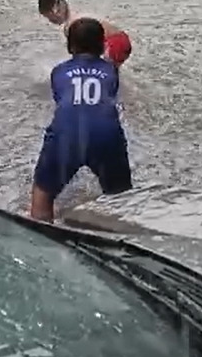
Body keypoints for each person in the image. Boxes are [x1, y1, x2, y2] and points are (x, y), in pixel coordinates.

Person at [29, 18, 133, 223]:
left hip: (66, 135)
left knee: (42, 195)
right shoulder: (111, 72)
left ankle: (40, 232)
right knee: (122, 198)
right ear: (102, 45)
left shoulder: (58, 72)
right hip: (106, 135)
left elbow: (64, 101)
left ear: (70, 47)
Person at [39, 0, 132, 66]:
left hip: (113, 44)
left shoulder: (71, 26)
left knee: (104, 72)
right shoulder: (78, 14)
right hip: (122, 39)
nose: (51, 21)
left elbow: (78, 54)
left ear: (56, 11)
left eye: (50, 18)